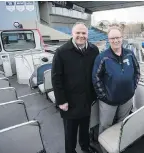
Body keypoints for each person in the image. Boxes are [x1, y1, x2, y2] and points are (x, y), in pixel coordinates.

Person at [92, 24, 140, 151]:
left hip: (127, 99)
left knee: (122, 123)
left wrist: (132, 88)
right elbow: (96, 79)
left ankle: (118, 146)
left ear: (122, 38)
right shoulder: (102, 57)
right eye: (112, 38)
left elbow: (137, 72)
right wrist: (104, 96)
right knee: (105, 126)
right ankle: (104, 148)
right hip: (108, 102)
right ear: (109, 40)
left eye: (117, 37)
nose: (115, 40)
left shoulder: (130, 54)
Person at [52, 22, 99, 153]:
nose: (81, 35)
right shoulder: (61, 52)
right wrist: (61, 101)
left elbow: (96, 73)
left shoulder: (93, 50)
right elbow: (56, 78)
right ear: (72, 34)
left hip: (86, 99)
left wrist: (95, 95)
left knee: (85, 128)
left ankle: (85, 146)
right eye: (78, 33)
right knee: (70, 132)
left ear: (87, 34)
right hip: (69, 102)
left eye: (83, 33)